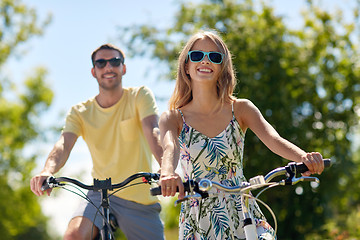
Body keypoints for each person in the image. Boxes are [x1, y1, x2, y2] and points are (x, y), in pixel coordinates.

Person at [159, 30, 325, 240]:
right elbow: (169, 148)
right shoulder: (173, 118)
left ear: (222, 67)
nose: (206, 61)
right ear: (186, 65)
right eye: (197, 55)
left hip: (242, 206)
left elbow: (274, 140)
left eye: (215, 57)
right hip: (199, 215)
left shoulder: (241, 109)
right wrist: (167, 173)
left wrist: (304, 158)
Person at [30, 44, 164, 240]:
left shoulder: (139, 96)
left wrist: (166, 167)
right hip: (99, 194)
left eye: (115, 62)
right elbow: (63, 145)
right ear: (94, 72)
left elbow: (153, 130)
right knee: (73, 235)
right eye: (101, 63)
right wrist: (47, 170)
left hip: (139, 198)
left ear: (123, 68)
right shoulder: (80, 112)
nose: (108, 67)